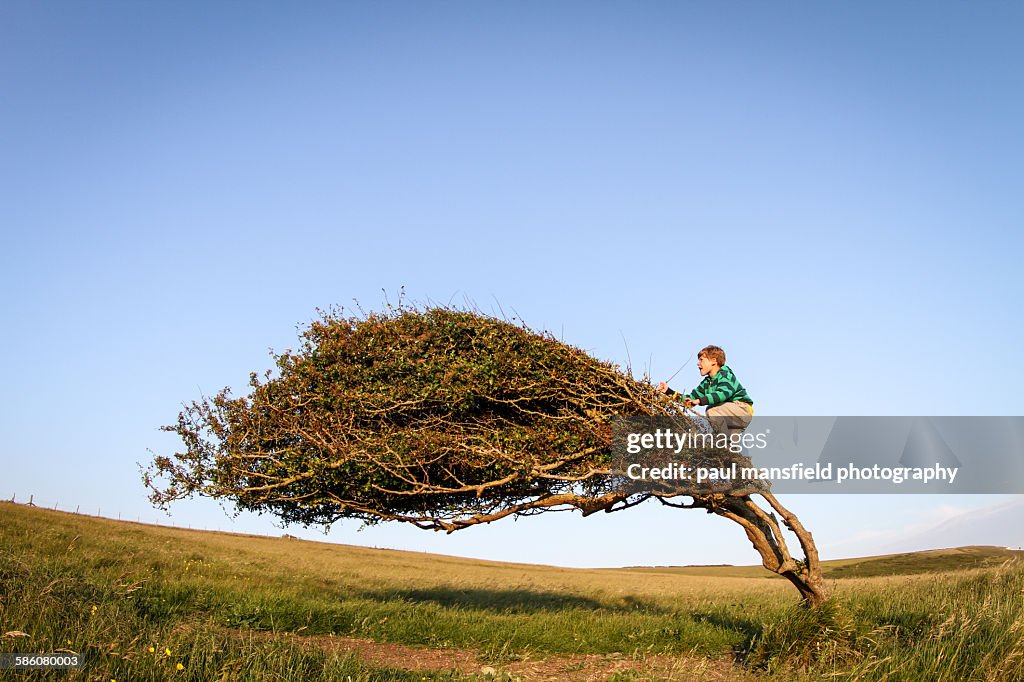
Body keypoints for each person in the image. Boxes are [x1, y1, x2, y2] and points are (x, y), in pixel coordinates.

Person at [657, 345, 754, 440]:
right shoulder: (707, 383)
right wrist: (668, 391)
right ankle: (728, 450)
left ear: (714, 361)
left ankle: (725, 441)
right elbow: (691, 399)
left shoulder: (725, 375)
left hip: (742, 409)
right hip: (729, 413)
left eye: (701, 360)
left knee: (712, 410)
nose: (698, 363)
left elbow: (723, 394)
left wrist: (700, 401)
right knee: (719, 432)